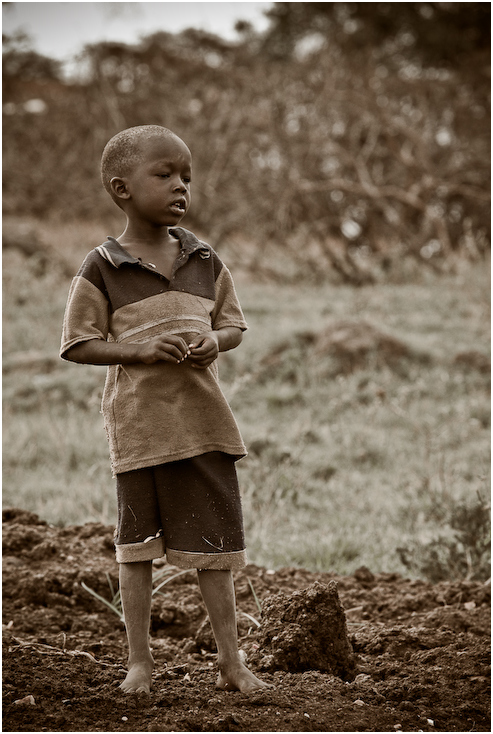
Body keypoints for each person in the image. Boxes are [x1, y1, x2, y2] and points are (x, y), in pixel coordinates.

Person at [60, 125, 272, 695]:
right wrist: (139, 350)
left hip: (206, 429)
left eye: (187, 177)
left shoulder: (204, 258)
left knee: (216, 554)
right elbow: (78, 343)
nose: (181, 186)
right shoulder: (103, 267)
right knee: (137, 551)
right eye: (165, 175)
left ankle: (231, 662)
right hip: (141, 433)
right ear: (121, 187)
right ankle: (140, 665)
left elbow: (232, 325)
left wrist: (216, 341)